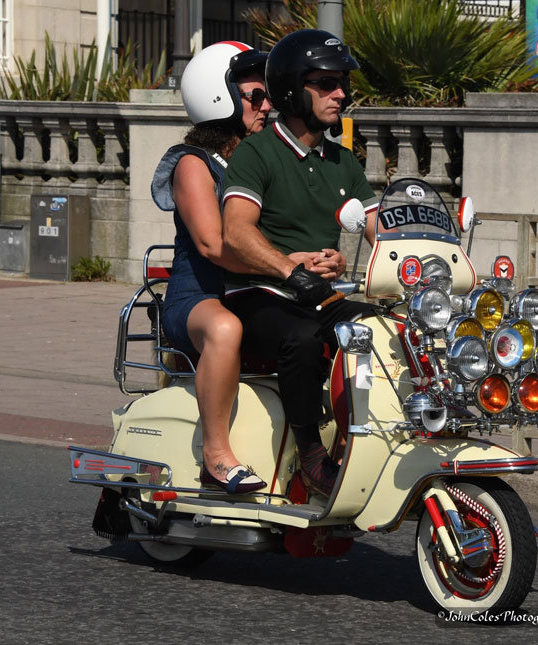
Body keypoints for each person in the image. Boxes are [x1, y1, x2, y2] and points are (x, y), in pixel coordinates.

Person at [222, 29, 379, 497]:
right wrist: (292, 270)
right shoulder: (257, 153)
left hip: (318, 295)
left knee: (384, 327)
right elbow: (237, 231)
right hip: (256, 296)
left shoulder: (343, 162)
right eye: (325, 83)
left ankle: (376, 437)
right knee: (303, 338)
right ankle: (311, 454)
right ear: (292, 89)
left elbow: (381, 230)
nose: (340, 93)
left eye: (342, 84)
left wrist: (422, 259)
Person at [150, 41, 273, 494]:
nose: (267, 106)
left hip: (256, 293)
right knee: (224, 330)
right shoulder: (193, 165)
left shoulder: (263, 162)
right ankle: (216, 456)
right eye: (256, 96)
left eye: (269, 96)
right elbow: (212, 243)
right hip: (197, 299)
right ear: (217, 96)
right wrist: (284, 264)